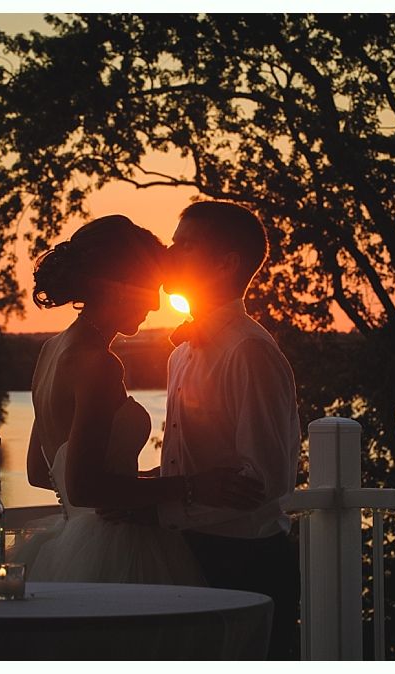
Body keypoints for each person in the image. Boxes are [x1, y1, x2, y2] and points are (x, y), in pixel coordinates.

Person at [10, 214, 264, 585]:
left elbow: (39, 471)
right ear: (121, 285)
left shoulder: (51, 349)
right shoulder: (99, 364)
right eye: (151, 287)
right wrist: (192, 486)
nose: (157, 305)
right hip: (115, 550)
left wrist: (140, 481)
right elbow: (85, 488)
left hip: (71, 544)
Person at [159, 201, 302, 659]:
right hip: (188, 554)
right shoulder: (179, 354)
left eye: (186, 246)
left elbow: (265, 480)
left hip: (246, 560)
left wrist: (161, 509)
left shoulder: (249, 352)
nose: (169, 253)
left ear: (226, 263)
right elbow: (183, 463)